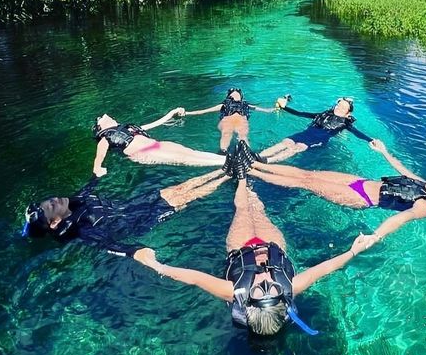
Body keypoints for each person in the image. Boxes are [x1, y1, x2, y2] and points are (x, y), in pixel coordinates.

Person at [135, 178, 373, 336]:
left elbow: (194, 278)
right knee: (258, 209)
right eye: (274, 290)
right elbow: (325, 268)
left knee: (242, 210)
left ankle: (240, 178)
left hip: (241, 246)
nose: (266, 281)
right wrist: (354, 250)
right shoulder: (290, 287)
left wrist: (157, 265)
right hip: (272, 244)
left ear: (248, 302)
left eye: (260, 290)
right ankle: (250, 186)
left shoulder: (233, 292)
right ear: (283, 300)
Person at [246, 139, 426, 244]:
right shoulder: (425, 184)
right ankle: (256, 163)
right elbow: (403, 170)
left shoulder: (425, 206)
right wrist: (384, 152)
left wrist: (376, 236)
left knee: (306, 183)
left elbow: (401, 218)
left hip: (359, 197)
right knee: (308, 174)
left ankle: (252, 173)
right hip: (361, 182)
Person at [22, 169, 230, 265]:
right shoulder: (81, 229)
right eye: (52, 205)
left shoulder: (75, 200)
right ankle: (230, 175)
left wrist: (97, 173)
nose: (55, 199)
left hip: (135, 203)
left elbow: (89, 185)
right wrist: (134, 252)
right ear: (55, 221)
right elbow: (106, 244)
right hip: (144, 217)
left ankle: (224, 168)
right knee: (188, 196)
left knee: (180, 187)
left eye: (51, 199)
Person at [92, 111, 226, 177]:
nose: (103, 116)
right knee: (184, 159)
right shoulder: (105, 138)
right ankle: (229, 163)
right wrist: (98, 169)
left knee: (191, 153)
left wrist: (172, 113)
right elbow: (99, 156)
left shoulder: (129, 128)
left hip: (158, 145)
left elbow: (156, 123)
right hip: (144, 153)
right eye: (100, 119)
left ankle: (226, 159)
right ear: (100, 127)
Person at [259, 96, 373, 163]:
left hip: (318, 140)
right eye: (338, 105)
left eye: (343, 108)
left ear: (348, 113)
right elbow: (301, 114)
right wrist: (285, 108)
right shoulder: (322, 115)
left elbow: (357, 133)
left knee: (297, 147)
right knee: (285, 142)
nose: (339, 108)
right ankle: (258, 156)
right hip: (305, 134)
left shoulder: (345, 123)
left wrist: (370, 140)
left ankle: (267, 161)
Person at [178, 88, 277, 153]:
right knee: (238, 136)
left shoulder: (237, 104)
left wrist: (269, 110)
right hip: (236, 121)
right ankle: (243, 155)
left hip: (232, 121)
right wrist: (186, 113)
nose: (235, 93)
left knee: (232, 135)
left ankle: (225, 153)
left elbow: (203, 111)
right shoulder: (228, 105)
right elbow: (203, 111)